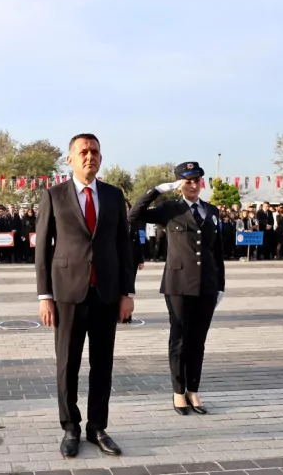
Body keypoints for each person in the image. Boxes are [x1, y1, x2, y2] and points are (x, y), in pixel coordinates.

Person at [35, 133, 135, 458]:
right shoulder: (54, 196)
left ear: (101, 158)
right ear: (70, 159)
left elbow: (124, 246)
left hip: (105, 293)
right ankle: (70, 427)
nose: (89, 156)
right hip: (67, 293)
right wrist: (44, 296)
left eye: (94, 151)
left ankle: (97, 428)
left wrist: (127, 292)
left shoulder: (113, 196)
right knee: (68, 364)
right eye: (83, 151)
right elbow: (42, 251)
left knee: (102, 364)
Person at [129, 161, 225, 416]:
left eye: (197, 180)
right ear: (180, 183)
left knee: (199, 340)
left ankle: (194, 390)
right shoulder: (169, 209)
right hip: (178, 285)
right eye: (188, 180)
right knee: (180, 339)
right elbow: (133, 215)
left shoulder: (212, 211)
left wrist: (221, 286)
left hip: (207, 284)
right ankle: (178, 391)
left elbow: (217, 253)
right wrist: (158, 189)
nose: (193, 185)